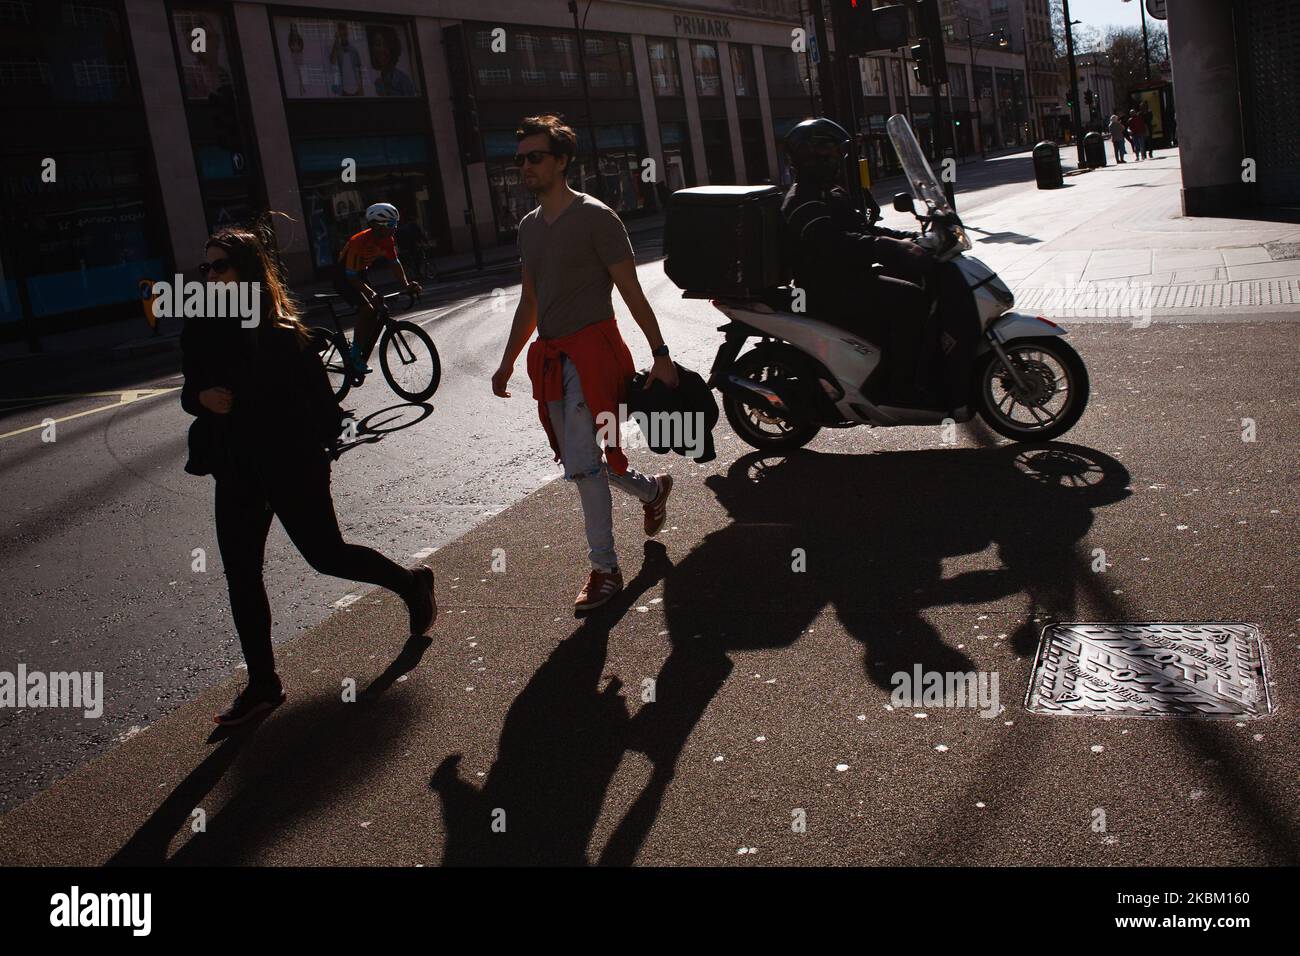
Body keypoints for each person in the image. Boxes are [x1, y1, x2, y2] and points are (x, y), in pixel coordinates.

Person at [182, 218, 436, 725]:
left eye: (220, 266)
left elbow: (324, 408)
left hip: (290, 463)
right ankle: (263, 685)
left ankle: (410, 584)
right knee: (241, 575)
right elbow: (191, 391)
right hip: (236, 466)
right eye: (205, 267)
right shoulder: (202, 327)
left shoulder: (284, 336)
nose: (210, 276)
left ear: (247, 271)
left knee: (327, 556)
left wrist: (325, 446)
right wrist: (203, 398)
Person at [491, 114, 677, 612]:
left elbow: (631, 290)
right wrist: (507, 361)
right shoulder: (529, 228)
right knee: (587, 460)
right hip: (551, 358)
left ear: (562, 161)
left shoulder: (597, 217)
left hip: (593, 353)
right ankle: (651, 489)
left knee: (579, 461)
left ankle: (604, 569)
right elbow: (530, 302)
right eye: (520, 159)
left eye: (535, 157)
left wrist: (660, 354)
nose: (525, 167)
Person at [779, 117, 939, 405]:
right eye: (832, 154)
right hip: (826, 288)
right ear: (811, 156)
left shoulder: (829, 193)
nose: (838, 160)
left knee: (921, 282)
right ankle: (900, 386)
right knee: (910, 298)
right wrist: (889, 247)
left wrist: (911, 238)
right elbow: (836, 244)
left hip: (846, 278)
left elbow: (863, 230)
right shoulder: (803, 201)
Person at [333, 202, 421, 376]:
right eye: (390, 224)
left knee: (377, 310)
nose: (394, 228)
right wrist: (370, 293)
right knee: (367, 308)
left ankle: (359, 344)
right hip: (344, 277)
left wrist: (406, 284)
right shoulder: (358, 242)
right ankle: (354, 354)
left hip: (360, 273)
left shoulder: (387, 239)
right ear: (375, 226)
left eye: (395, 224)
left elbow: (394, 263)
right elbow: (351, 276)